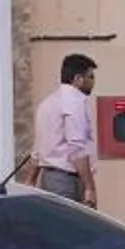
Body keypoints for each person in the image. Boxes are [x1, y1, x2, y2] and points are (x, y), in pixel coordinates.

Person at [31, 53, 99, 204]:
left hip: (48, 178)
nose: (93, 82)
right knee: (77, 226)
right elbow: (76, 148)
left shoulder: (47, 103)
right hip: (68, 181)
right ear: (77, 79)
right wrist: (89, 187)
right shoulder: (75, 103)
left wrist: (31, 180)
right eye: (90, 77)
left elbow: (38, 149)